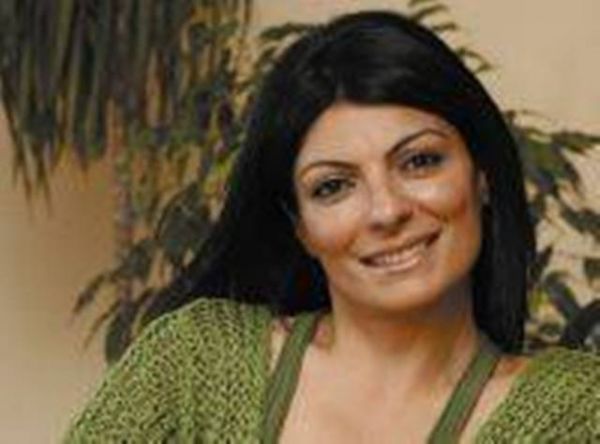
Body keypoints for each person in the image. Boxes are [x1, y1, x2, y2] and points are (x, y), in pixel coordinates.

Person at [64, 10, 600, 443]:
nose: (386, 210)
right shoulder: (194, 364)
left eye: (419, 161)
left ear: (481, 174)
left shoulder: (576, 414)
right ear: (298, 225)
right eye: (333, 186)